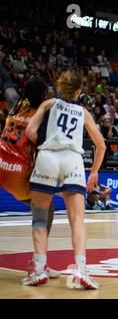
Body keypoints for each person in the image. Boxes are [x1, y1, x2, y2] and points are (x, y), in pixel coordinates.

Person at [23, 70, 106, 289]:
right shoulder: (83, 112)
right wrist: (94, 172)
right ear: (79, 91)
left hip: (47, 157)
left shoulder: (48, 104)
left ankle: (39, 267)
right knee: (77, 219)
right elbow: (101, 145)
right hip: (73, 161)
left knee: (40, 217)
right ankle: (80, 269)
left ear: (59, 87)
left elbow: (30, 132)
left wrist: (46, 142)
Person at [0, 66, 59, 278]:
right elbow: (63, 104)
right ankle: (38, 262)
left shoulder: (17, 103)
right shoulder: (43, 115)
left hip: (1, 166)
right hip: (17, 175)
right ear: (43, 96)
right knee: (47, 208)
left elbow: (6, 80)